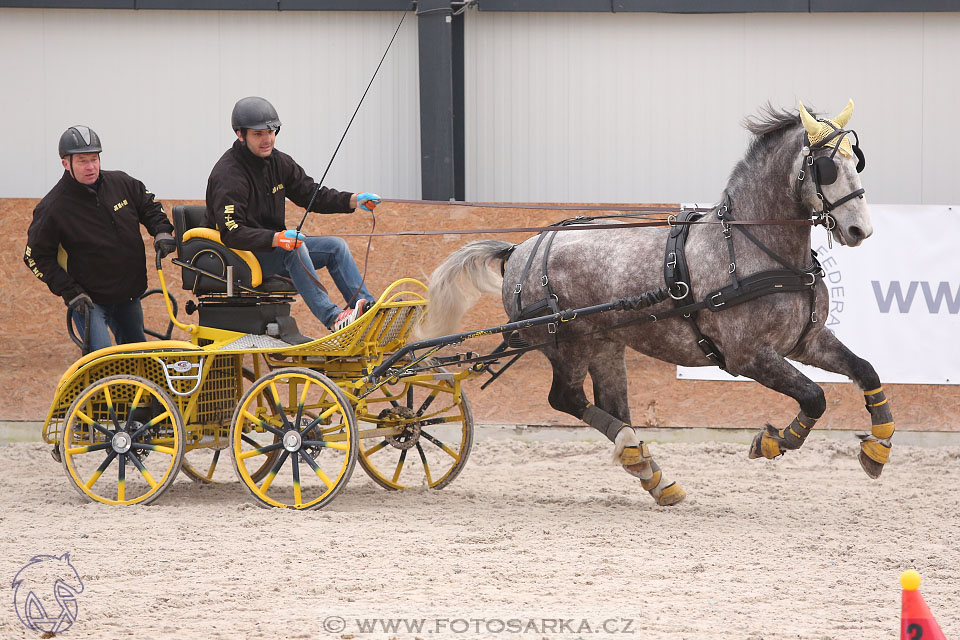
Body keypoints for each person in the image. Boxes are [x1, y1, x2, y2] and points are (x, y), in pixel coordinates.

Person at [205, 96, 381, 333]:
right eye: (258, 134)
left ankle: (369, 312)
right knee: (294, 247)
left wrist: (352, 200)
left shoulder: (279, 162)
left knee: (335, 247)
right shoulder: (229, 174)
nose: (267, 139)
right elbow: (231, 233)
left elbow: (311, 194)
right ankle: (333, 318)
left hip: (274, 248)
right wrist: (276, 239)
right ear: (240, 134)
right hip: (242, 257)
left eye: (271, 131)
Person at [24, 126, 176, 353]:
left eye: (94, 159)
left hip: (129, 295)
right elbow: (35, 257)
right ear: (66, 164)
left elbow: (149, 207)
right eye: (83, 160)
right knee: (101, 363)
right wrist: (70, 292)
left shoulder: (122, 183)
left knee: (138, 360)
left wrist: (162, 231)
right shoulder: (53, 208)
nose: (91, 167)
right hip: (89, 302)